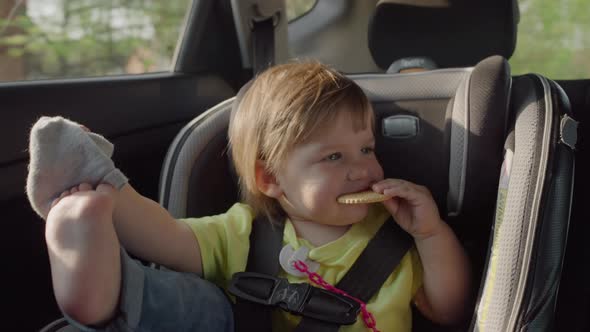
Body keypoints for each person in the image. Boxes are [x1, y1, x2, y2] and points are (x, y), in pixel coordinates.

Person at [29, 61, 470, 331]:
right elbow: (162, 236)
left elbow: (448, 310)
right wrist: (112, 191)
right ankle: (94, 227)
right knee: (199, 307)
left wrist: (430, 233)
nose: (362, 169)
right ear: (270, 178)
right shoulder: (245, 230)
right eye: (333, 156)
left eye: (367, 149)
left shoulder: (392, 238)